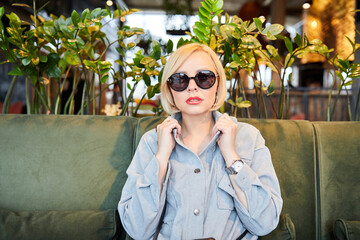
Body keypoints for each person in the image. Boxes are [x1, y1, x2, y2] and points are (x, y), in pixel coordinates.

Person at [118, 43, 283, 240]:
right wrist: (161, 158)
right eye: (180, 80)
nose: (192, 87)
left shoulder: (248, 137)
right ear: (170, 89)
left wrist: (231, 156)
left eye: (204, 77)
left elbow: (265, 222)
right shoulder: (152, 142)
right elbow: (137, 229)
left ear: (218, 84)